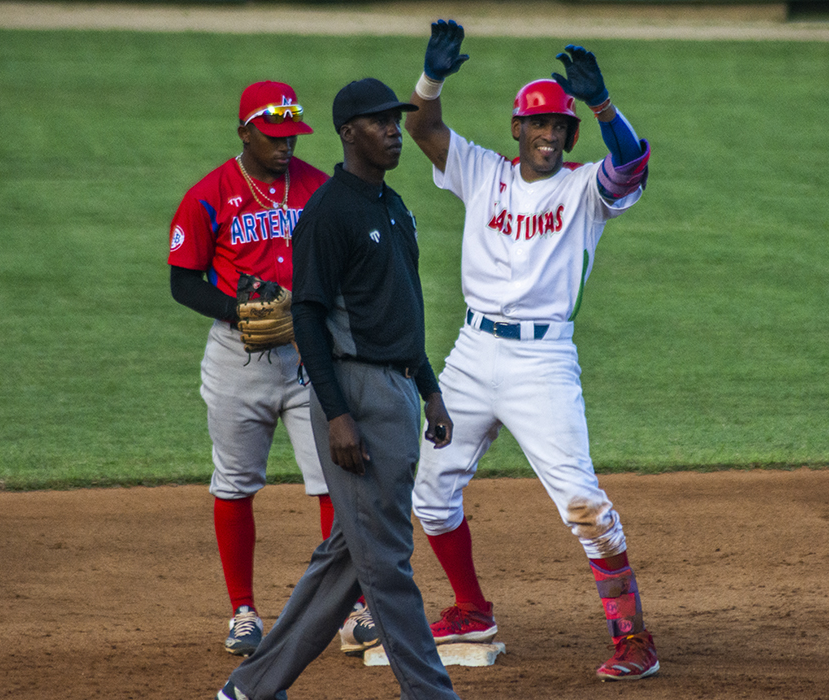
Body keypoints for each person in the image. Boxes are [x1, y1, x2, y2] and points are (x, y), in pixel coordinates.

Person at [405, 20, 658, 682]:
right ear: (516, 129)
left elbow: (630, 163)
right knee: (429, 494)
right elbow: (425, 131)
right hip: (470, 353)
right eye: (539, 125)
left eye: (560, 129)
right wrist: (429, 81)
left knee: (582, 502)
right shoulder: (482, 172)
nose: (550, 137)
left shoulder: (584, 190)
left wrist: (604, 107)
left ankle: (633, 637)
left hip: (542, 363)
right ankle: (470, 610)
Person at [217, 77, 461, 700]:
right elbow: (306, 315)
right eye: (379, 122)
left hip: (399, 391)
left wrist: (429, 387)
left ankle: (250, 688)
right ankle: (431, 693)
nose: (392, 131)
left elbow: (402, 306)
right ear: (348, 132)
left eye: (395, 120)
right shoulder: (328, 212)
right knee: (386, 561)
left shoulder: (394, 206)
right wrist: (336, 414)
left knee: (348, 558)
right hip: (357, 393)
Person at [167, 80, 381, 658]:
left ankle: (351, 608)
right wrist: (238, 311)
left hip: (311, 357)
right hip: (238, 359)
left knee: (333, 477)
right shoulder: (208, 194)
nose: (286, 146)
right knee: (235, 482)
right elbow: (182, 280)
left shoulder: (318, 187)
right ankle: (242, 611)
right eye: (274, 135)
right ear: (245, 132)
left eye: (292, 135)